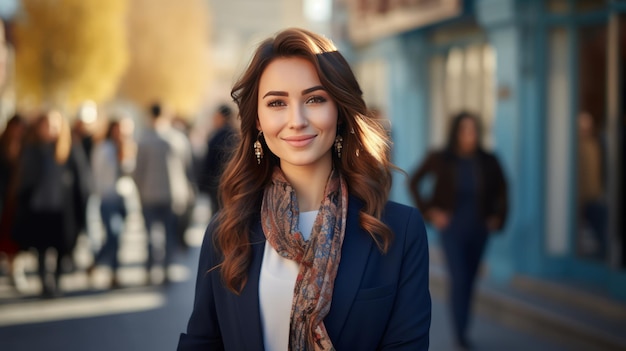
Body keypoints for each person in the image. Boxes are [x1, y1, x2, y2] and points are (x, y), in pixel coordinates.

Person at [178, 28, 431, 351]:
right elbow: (202, 342)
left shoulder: (398, 231)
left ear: (339, 110)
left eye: (314, 99)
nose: (296, 120)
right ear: (257, 120)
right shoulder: (226, 230)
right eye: (277, 103)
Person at [409, 111, 508, 350]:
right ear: (456, 132)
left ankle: (464, 328)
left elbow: (503, 190)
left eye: (473, 130)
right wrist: (431, 211)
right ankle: (460, 335)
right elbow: (414, 181)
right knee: (459, 278)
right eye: (465, 130)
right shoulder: (441, 158)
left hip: (479, 230)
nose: (470, 135)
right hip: (452, 230)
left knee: (470, 280)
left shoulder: (488, 160)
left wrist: (497, 217)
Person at [12, 110, 92, 297]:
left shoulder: (70, 148)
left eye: (54, 125)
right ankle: (44, 282)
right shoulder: (32, 149)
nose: (50, 129)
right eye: (46, 125)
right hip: (38, 207)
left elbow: (82, 180)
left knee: (61, 248)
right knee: (41, 248)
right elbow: (23, 180)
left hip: (62, 209)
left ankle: (55, 280)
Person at [133, 103, 194, 284]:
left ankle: (150, 271)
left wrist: (140, 191)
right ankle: (167, 269)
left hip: (149, 194)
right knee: (169, 235)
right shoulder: (178, 139)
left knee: (151, 236)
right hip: (173, 195)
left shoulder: (144, 140)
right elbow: (187, 167)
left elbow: (138, 171)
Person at [88, 115, 136, 288]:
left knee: (117, 237)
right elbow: (96, 172)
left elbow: (131, 171)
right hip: (108, 197)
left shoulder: (128, 147)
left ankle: (102, 265)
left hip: (123, 197)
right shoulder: (103, 148)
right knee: (113, 235)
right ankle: (110, 270)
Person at [0, 115, 27, 286]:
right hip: (3, 197)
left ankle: (14, 269)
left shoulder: (27, 148)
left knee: (14, 237)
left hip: (17, 199)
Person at [197, 103, 238, 215]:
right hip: (234, 184)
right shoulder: (237, 134)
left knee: (219, 217)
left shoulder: (218, 136)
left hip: (217, 185)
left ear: (222, 117)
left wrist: (203, 184)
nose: (214, 120)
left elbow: (209, 162)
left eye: (216, 117)